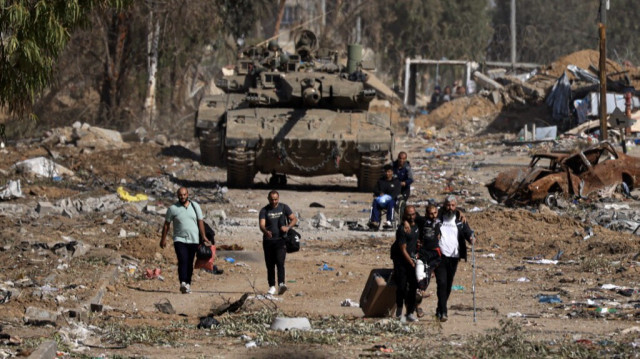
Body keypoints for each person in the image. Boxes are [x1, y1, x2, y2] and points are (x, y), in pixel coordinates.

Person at [160, 187, 210, 294]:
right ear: (177, 195)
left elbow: (200, 221)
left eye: (184, 195)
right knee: (183, 259)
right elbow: (166, 225)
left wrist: (203, 236)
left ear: (187, 194)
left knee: (190, 262)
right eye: (180, 195)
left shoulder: (195, 206)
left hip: (193, 239)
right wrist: (163, 239)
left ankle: (188, 284)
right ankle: (182, 282)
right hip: (179, 239)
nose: (182, 197)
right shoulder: (173, 209)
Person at [434, 195, 475, 322]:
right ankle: (444, 312)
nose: (450, 208)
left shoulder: (459, 219)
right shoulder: (438, 217)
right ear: (444, 205)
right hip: (440, 256)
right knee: (441, 282)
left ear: (456, 206)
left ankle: (440, 309)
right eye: (448, 205)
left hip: (454, 257)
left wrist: (472, 238)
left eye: (452, 205)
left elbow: (468, 232)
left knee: (448, 285)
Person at [259, 190, 297, 295]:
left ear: (278, 199)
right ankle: (271, 286)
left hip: (281, 240)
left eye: (275, 199)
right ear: (268, 199)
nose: (274, 201)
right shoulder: (264, 210)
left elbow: (294, 219)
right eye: (272, 199)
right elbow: (262, 224)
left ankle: (281, 284)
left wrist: (288, 227)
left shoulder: (284, 207)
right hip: (268, 241)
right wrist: (266, 231)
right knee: (270, 265)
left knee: (280, 263)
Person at [390, 205, 420, 322]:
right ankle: (399, 310)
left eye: (413, 214)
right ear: (404, 215)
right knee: (401, 286)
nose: (411, 217)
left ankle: (410, 312)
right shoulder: (402, 230)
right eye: (409, 215)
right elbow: (403, 250)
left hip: (412, 258)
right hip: (401, 260)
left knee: (413, 287)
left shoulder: (417, 224)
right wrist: (412, 264)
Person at [368, 164, 401, 229]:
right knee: (375, 202)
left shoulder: (396, 182)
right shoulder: (381, 181)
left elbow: (397, 192)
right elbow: (375, 189)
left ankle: (389, 221)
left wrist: (388, 197)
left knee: (391, 202)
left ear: (392, 172)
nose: (387, 173)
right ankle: (375, 221)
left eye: (388, 172)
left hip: (391, 200)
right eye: (385, 172)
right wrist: (379, 193)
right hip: (381, 200)